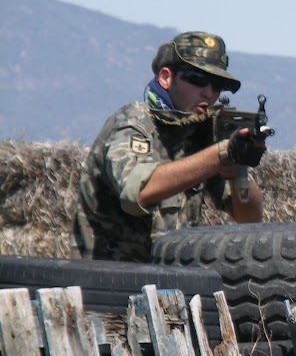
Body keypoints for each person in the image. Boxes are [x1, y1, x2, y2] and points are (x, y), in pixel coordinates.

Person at [73, 31, 267, 262]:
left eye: (217, 85)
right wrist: (220, 154)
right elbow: (137, 192)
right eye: (197, 79)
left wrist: (239, 170)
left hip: (169, 282)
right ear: (166, 77)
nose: (209, 92)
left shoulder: (202, 134)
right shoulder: (133, 122)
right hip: (109, 281)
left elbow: (249, 219)